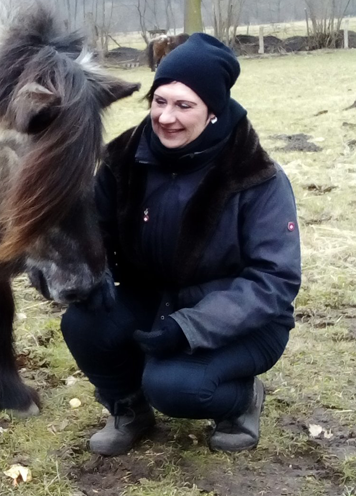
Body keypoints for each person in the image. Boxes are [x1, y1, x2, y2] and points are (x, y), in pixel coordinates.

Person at [61, 33, 301, 456]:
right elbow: (95, 234)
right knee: (83, 323)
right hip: (154, 298)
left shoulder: (255, 174)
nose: (166, 116)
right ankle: (128, 408)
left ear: (213, 111)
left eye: (184, 105)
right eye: (160, 100)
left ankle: (242, 400)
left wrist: (189, 326)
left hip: (243, 321)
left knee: (172, 386)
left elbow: (275, 280)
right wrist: (70, 266)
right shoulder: (123, 160)